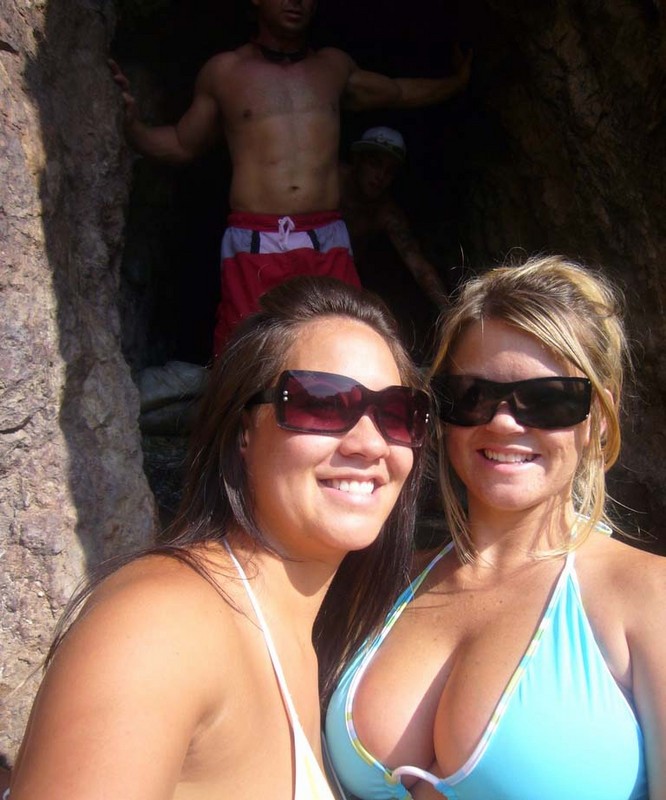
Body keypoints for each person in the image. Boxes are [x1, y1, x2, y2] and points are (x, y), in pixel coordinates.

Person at [7, 276, 431, 800]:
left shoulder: (314, 635)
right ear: (243, 432)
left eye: (397, 414)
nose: (370, 443)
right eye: (321, 402)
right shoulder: (162, 625)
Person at [325, 256, 666, 799]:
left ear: (601, 417)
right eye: (472, 396)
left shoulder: (648, 597)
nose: (503, 421)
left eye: (548, 400)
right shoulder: (383, 582)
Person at [109, 0, 471, 355]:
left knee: (341, 345)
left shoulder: (332, 67)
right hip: (256, 240)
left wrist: (456, 83)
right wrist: (134, 127)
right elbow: (181, 143)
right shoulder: (225, 72)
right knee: (247, 354)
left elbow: (398, 91)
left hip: (326, 238)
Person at [340, 126, 449, 311]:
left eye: (389, 171)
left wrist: (449, 311)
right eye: (375, 164)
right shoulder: (331, 182)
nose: (380, 176)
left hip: (343, 279)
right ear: (357, 159)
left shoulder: (386, 213)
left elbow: (420, 269)